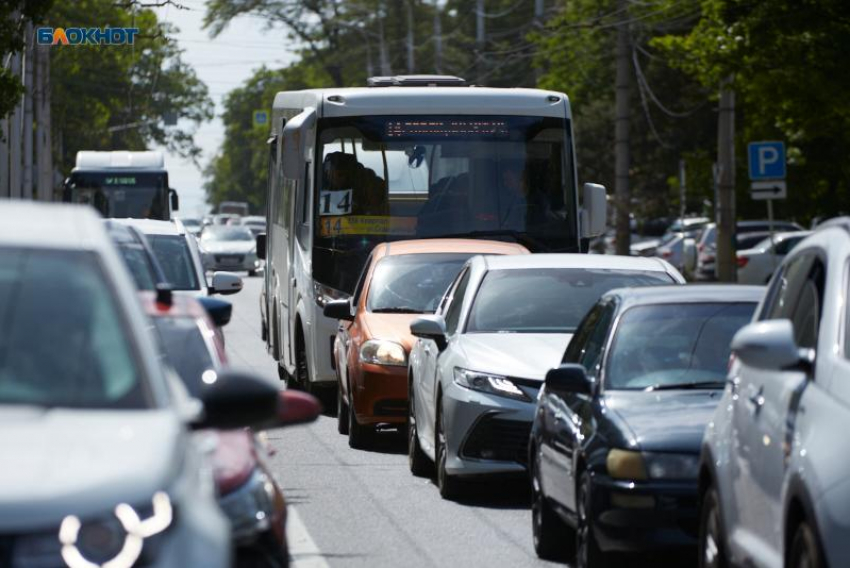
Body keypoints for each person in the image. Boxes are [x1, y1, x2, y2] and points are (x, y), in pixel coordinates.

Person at [322, 152, 389, 216]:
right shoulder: (318, 187)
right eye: (339, 174)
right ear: (327, 172)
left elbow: (375, 211)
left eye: (345, 175)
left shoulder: (362, 187)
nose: (342, 178)